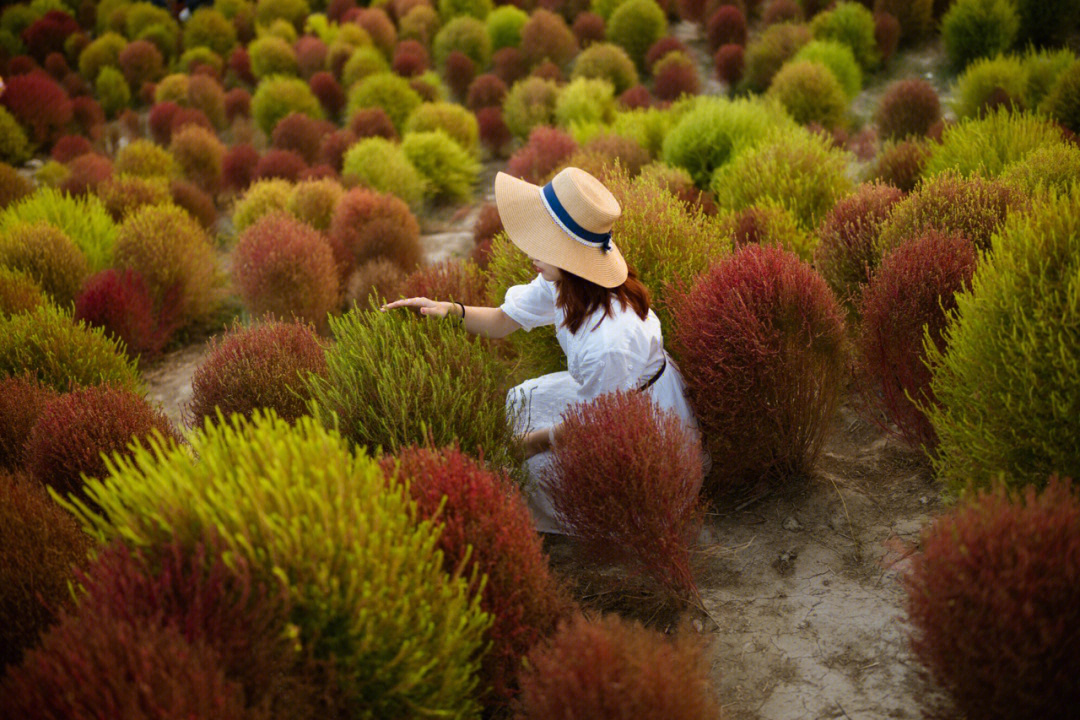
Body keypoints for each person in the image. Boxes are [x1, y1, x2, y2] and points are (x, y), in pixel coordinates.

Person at [382, 167, 703, 533]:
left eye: (543, 241)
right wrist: (449, 310)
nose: (530, 249)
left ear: (569, 255)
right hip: (611, 395)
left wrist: (531, 444)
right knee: (523, 399)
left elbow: (599, 424)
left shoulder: (608, 340)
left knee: (534, 474)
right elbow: (503, 321)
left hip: (637, 420)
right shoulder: (566, 282)